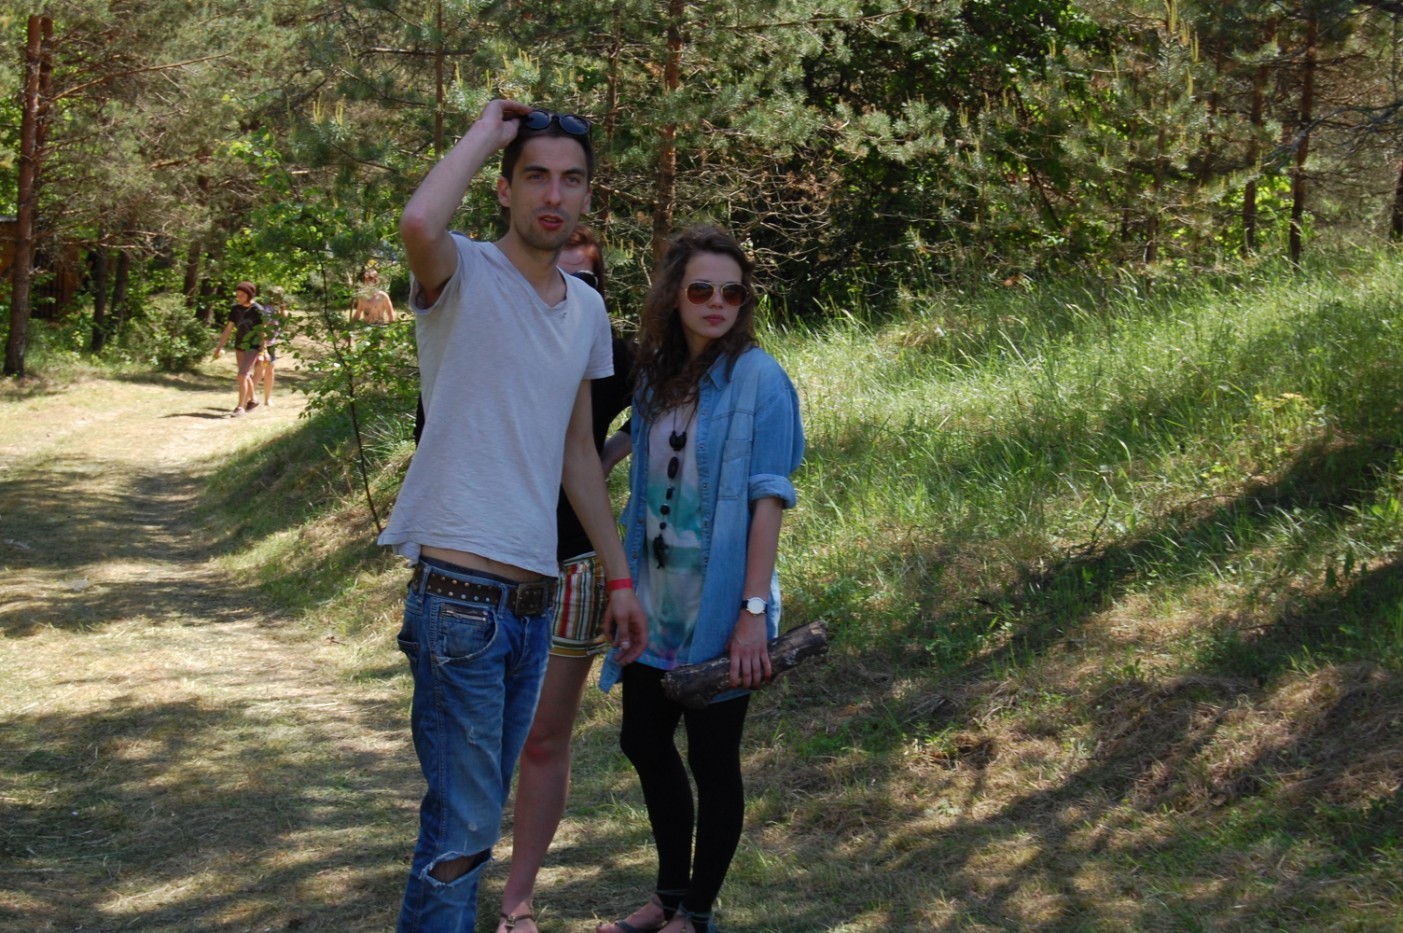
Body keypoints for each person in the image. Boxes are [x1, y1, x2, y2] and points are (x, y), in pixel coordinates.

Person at [380, 98, 647, 933]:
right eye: (534, 176)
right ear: (503, 188)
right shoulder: (460, 272)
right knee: (463, 828)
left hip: (535, 602)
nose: (553, 194)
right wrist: (488, 129)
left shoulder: (586, 310)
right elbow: (418, 219)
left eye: (570, 179)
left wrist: (619, 579)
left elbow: (578, 456)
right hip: (458, 598)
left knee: (468, 824)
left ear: (588, 195)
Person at [596, 226, 804, 933]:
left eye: (731, 292)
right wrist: (589, 456)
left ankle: (696, 911)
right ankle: (666, 896)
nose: (717, 302)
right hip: (653, 601)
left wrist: (752, 612)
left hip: (719, 605)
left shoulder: (760, 379)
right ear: (674, 296)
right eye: (701, 289)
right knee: (642, 741)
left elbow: (768, 500)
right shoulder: (657, 376)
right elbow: (640, 439)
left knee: (713, 760)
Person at [493, 225, 635, 933]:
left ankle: (517, 900)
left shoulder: (616, 355)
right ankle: (451, 876)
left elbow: (670, 403)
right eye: (558, 278)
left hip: (575, 565)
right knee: (483, 740)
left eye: (588, 281)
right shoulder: (483, 341)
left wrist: (605, 458)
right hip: (485, 562)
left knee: (543, 738)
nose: (572, 292)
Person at [211, 281, 266, 416]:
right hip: (240, 345)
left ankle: (240, 407)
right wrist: (219, 347)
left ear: (249, 295)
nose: (239, 297)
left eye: (242, 295)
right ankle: (253, 400)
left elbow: (263, 331)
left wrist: (262, 352)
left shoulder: (258, 310)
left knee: (242, 375)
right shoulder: (235, 309)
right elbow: (229, 328)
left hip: (254, 347)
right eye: (237, 295)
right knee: (245, 375)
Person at [255, 286, 288, 407]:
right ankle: (248, 398)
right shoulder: (267, 310)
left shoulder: (277, 310)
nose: (277, 299)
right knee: (260, 373)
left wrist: (283, 308)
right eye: (275, 296)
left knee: (270, 372)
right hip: (263, 344)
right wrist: (263, 349)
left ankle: (267, 399)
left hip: (271, 344)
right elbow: (263, 329)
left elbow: (285, 321)